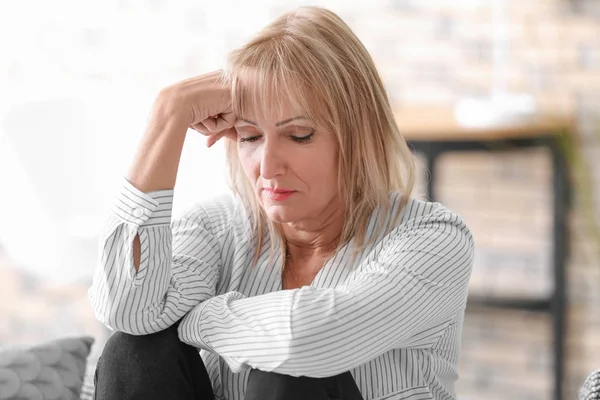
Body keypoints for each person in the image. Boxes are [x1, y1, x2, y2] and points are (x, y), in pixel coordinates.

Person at [89, 6, 474, 400]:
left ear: (359, 137)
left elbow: (313, 341)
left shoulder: (434, 240)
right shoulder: (219, 227)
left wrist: (199, 320)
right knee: (135, 349)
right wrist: (167, 115)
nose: (268, 167)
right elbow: (127, 311)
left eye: (299, 135)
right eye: (250, 136)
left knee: (291, 374)